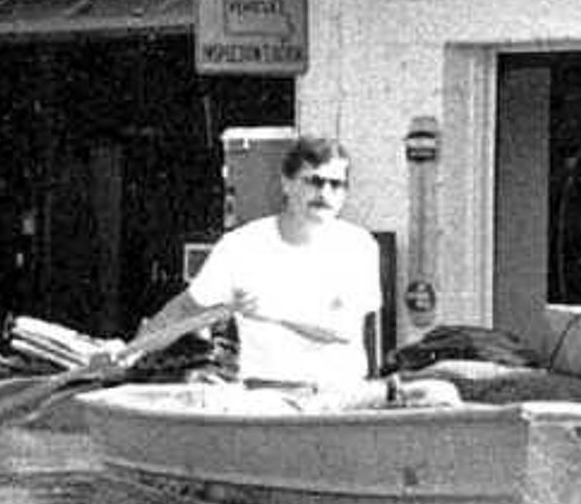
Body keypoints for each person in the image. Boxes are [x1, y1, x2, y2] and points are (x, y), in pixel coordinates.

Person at [140, 132, 429, 402]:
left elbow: (341, 329)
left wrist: (268, 310)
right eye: (313, 181)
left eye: (336, 184)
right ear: (286, 183)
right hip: (263, 399)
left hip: (338, 400)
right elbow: (187, 308)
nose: (325, 193)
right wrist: (131, 350)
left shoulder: (359, 246)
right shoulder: (240, 245)